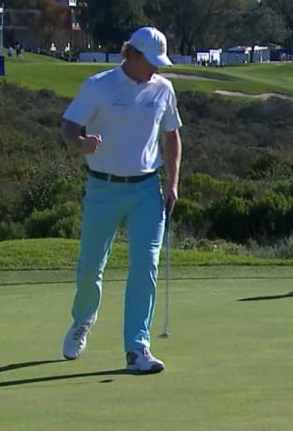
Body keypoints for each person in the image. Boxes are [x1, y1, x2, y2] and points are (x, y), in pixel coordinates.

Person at [60, 26, 182, 373]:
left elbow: (172, 136)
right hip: (103, 188)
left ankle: (137, 347)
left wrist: (172, 182)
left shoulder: (163, 89)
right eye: (152, 61)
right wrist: (81, 143)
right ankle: (83, 319)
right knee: (90, 268)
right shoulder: (99, 86)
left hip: (147, 189)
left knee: (146, 265)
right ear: (132, 55)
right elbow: (69, 126)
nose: (156, 69)